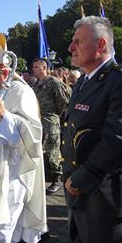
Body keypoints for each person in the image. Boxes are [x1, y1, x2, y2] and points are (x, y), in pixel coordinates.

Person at [62, 16, 122, 243]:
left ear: (100, 45)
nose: (71, 47)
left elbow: (118, 140)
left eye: (78, 41)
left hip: (103, 197)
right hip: (77, 192)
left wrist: (81, 178)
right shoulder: (82, 82)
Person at [0, 33, 48, 243]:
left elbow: (33, 131)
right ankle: (16, 239)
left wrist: (6, 116)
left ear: (5, 72)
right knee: (9, 208)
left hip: (17, 164)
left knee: (7, 210)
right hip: (0, 161)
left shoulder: (22, 91)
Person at [32, 58, 70, 194]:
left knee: (53, 151)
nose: (33, 69)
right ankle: (43, 178)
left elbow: (63, 102)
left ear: (44, 68)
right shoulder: (35, 84)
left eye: (36, 66)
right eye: (33, 67)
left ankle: (58, 179)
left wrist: (54, 115)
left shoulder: (53, 82)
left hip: (50, 122)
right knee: (40, 151)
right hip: (37, 121)